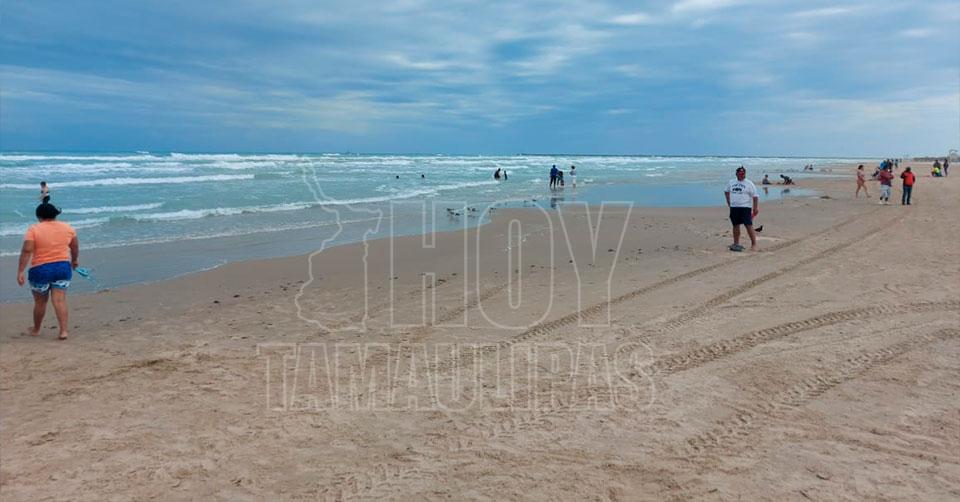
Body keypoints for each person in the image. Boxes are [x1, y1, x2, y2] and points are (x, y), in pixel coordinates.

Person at [17, 203, 79, 340]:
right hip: (62, 267)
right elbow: (74, 246)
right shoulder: (67, 227)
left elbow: (27, 251)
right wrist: (74, 261)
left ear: (39, 216)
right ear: (55, 214)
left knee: (40, 302)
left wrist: (20, 271)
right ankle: (63, 331)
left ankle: (36, 329)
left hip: (40, 269)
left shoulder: (34, 229)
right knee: (60, 300)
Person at [724, 166, 759, 252]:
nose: (742, 175)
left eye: (743, 173)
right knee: (735, 225)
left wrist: (755, 208)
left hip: (745, 207)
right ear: (736, 174)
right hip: (734, 207)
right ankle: (736, 243)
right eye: (740, 173)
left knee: (748, 225)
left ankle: (754, 244)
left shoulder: (749, 183)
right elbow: (726, 191)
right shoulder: (731, 182)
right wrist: (728, 201)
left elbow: (755, 197)